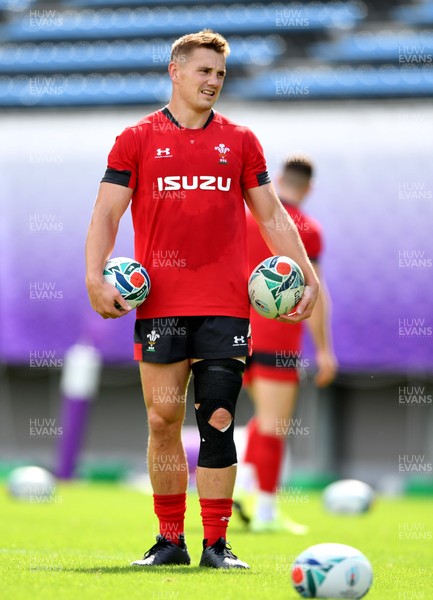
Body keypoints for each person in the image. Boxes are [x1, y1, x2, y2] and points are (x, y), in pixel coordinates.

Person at [85, 31, 319, 569]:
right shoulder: (136, 138)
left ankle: (217, 544)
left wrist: (308, 276)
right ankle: (170, 540)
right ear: (176, 71)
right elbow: (105, 215)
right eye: (204, 71)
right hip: (161, 304)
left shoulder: (240, 140)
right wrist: (95, 278)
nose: (213, 81)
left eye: (220, 74)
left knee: (218, 416)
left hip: (226, 304)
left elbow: (271, 216)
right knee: (163, 419)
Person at [236, 156, 337, 533]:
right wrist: (325, 350)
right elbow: (318, 293)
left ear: (277, 178)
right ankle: (264, 512)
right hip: (279, 337)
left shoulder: (247, 217)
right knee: (275, 425)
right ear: (309, 188)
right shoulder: (307, 229)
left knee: (262, 419)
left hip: (238, 333)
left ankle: (242, 489)